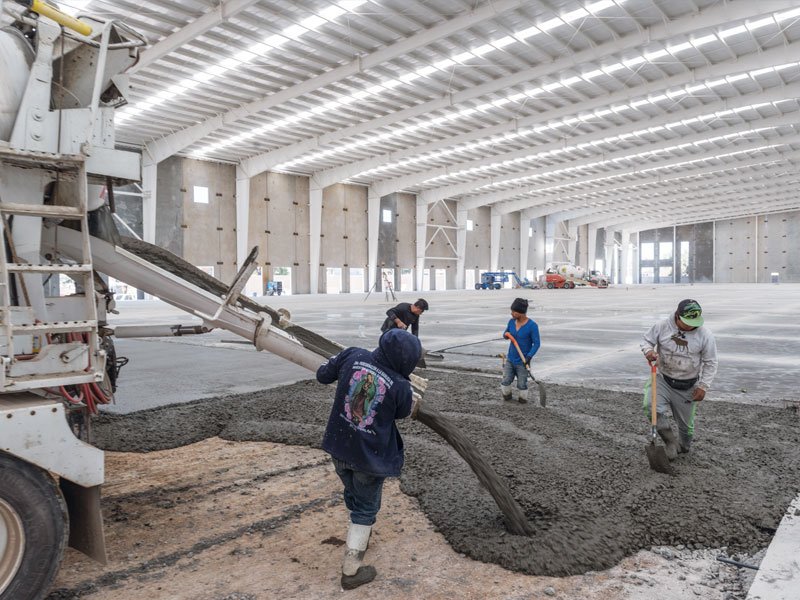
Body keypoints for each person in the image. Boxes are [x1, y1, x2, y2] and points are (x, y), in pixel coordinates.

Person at [316, 328, 422, 589]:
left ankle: (359, 530)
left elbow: (322, 375)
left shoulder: (352, 355)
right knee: (365, 509)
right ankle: (351, 572)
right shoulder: (400, 386)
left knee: (352, 488)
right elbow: (401, 414)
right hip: (370, 458)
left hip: (339, 447)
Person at [641, 299, 718, 459]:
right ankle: (669, 441)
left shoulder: (705, 335)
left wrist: (703, 386)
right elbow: (646, 340)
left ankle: (682, 445)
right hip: (663, 378)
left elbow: (710, 362)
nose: (691, 326)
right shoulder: (662, 326)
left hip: (688, 385)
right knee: (651, 407)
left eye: (694, 322)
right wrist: (649, 351)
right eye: (687, 322)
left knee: (686, 428)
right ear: (677, 317)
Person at [501, 298, 541, 403]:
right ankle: (507, 398)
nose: (511, 314)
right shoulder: (511, 322)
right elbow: (505, 333)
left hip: (523, 361)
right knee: (506, 381)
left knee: (522, 384)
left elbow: (536, 344)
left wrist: (529, 357)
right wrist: (506, 335)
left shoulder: (532, 326)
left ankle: (522, 401)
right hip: (510, 359)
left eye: (514, 312)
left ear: (521, 313)